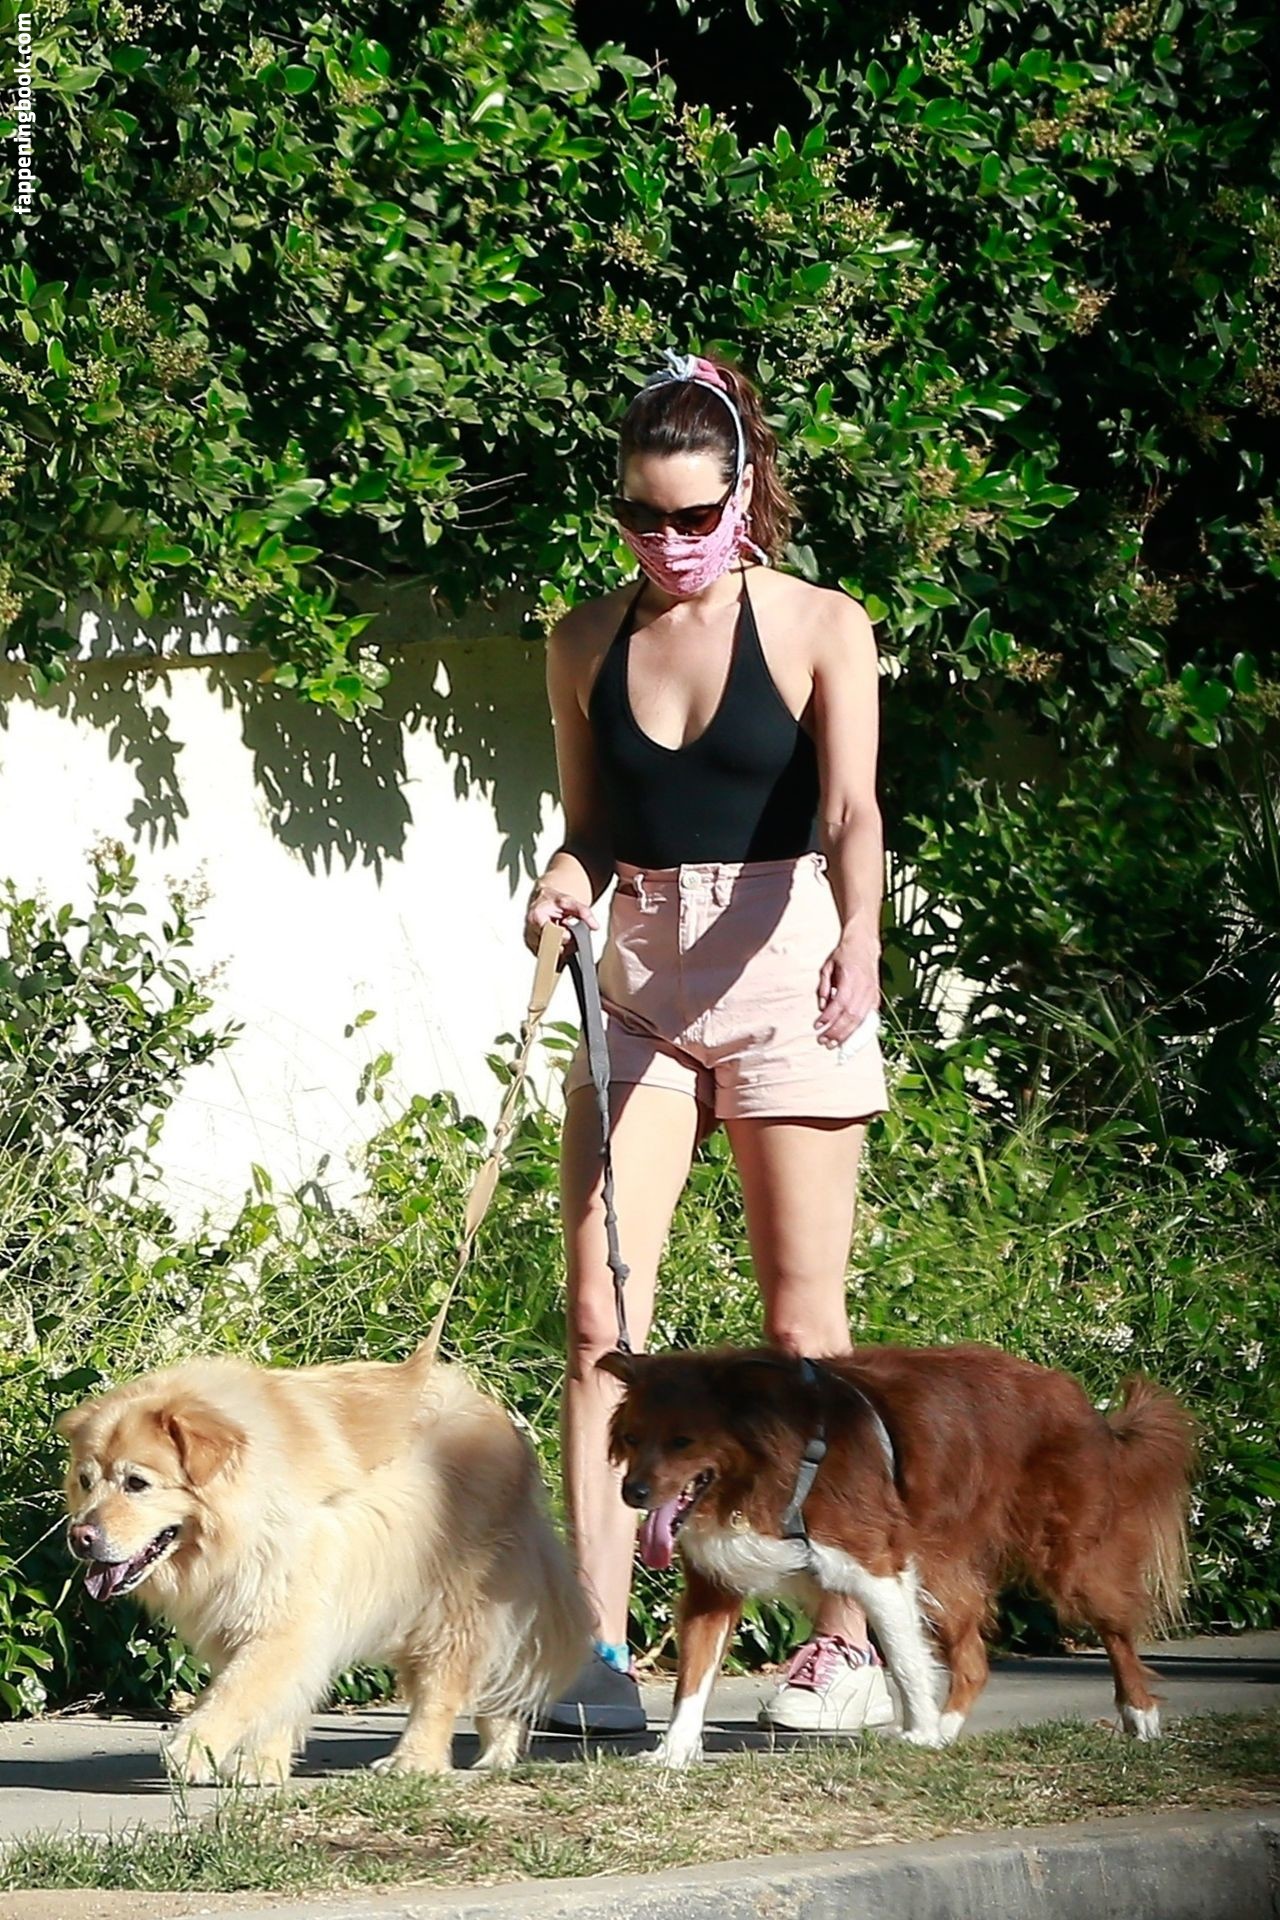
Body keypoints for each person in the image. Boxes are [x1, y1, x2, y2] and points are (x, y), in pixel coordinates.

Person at [524, 348, 892, 1737]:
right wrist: (563, 879)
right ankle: (599, 1651)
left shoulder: (816, 623)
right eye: (642, 515)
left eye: (693, 515)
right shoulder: (583, 638)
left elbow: (850, 810)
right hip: (639, 978)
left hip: (788, 959)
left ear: (742, 494)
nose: (668, 540)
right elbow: (593, 824)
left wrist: (863, 937)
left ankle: (843, 1643)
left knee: (803, 1329)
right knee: (599, 1324)